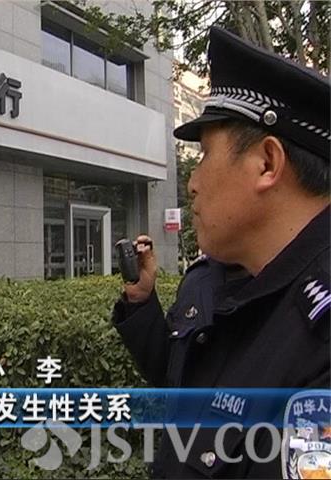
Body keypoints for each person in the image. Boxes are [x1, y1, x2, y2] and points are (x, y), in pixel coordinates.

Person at [112, 26, 330, 478]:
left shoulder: (320, 336)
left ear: (266, 163)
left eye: (205, 154)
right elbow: (182, 380)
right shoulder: (213, 280)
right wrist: (142, 304)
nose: (192, 182)